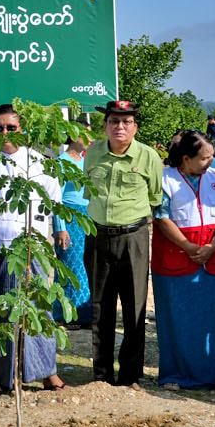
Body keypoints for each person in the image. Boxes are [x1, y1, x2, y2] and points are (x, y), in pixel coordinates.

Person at [0, 103, 67, 393]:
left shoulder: (40, 163)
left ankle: (47, 372)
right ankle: (1, 379)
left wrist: (57, 232)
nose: (5, 133)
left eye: (11, 127)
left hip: (31, 249)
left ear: (23, 130)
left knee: (37, 310)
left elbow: (54, 203)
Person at [83, 100, 163, 386]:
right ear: (105, 126)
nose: (120, 126)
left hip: (133, 238)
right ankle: (102, 374)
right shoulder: (92, 153)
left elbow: (155, 196)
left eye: (126, 122)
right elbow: (87, 191)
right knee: (99, 308)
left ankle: (130, 374)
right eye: (114, 121)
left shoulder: (148, 156)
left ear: (135, 127)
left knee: (134, 306)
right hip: (97, 235)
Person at [152, 131, 215, 390]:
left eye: (212, 156)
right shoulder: (165, 179)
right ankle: (176, 374)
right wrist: (188, 246)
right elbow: (162, 217)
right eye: (204, 158)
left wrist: (214, 244)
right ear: (186, 158)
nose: (210, 162)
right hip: (176, 255)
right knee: (178, 316)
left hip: (212, 255)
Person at [56, 135, 92, 329]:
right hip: (69, 217)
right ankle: (66, 315)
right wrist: (60, 228)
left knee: (86, 266)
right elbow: (56, 198)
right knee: (70, 265)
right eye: (86, 135)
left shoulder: (86, 161)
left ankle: (85, 314)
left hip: (87, 217)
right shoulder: (62, 162)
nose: (90, 139)